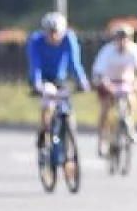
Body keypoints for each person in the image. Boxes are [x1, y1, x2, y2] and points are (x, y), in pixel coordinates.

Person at [25, 12, 91, 148]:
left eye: (56, 32)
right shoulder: (36, 41)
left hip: (59, 78)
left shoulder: (69, 38)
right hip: (42, 78)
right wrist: (36, 83)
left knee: (67, 108)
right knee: (48, 102)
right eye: (50, 32)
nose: (53, 36)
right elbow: (35, 64)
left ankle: (70, 143)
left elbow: (74, 63)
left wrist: (82, 81)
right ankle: (44, 131)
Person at [91, 22, 137, 156]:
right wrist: (107, 86)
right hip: (108, 81)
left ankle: (131, 128)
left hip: (125, 83)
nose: (122, 41)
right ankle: (102, 140)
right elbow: (100, 72)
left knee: (132, 101)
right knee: (105, 110)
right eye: (119, 38)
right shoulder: (107, 51)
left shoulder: (134, 50)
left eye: (125, 37)